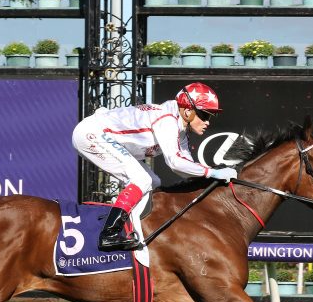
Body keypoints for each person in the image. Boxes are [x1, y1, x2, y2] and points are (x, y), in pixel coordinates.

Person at [71, 82, 238, 251]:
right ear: (188, 111)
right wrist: (212, 172)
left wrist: (211, 174)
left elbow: (187, 167)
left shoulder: (180, 129)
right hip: (92, 133)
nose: (207, 122)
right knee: (141, 179)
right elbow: (175, 163)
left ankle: (132, 227)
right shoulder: (167, 120)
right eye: (205, 115)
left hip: (104, 135)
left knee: (153, 182)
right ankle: (109, 234)